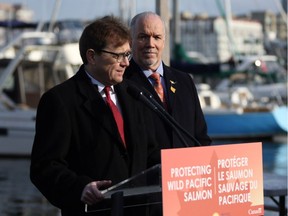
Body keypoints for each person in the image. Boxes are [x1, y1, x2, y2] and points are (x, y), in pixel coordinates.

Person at [30, 15, 159, 216]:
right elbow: (45, 168)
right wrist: (80, 188)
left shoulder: (134, 94)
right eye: (118, 55)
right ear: (92, 56)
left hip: (137, 209)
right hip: (93, 210)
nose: (126, 63)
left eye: (127, 54)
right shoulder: (60, 100)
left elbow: (151, 154)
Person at [125, 11, 211, 149]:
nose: (150, 44)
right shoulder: (121, 83)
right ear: (131, 41)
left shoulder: (185, 81)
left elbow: (201, 138)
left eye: (157, 37)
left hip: (185, 168)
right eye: (143, 37)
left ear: (164, 42)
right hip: (149, 170)